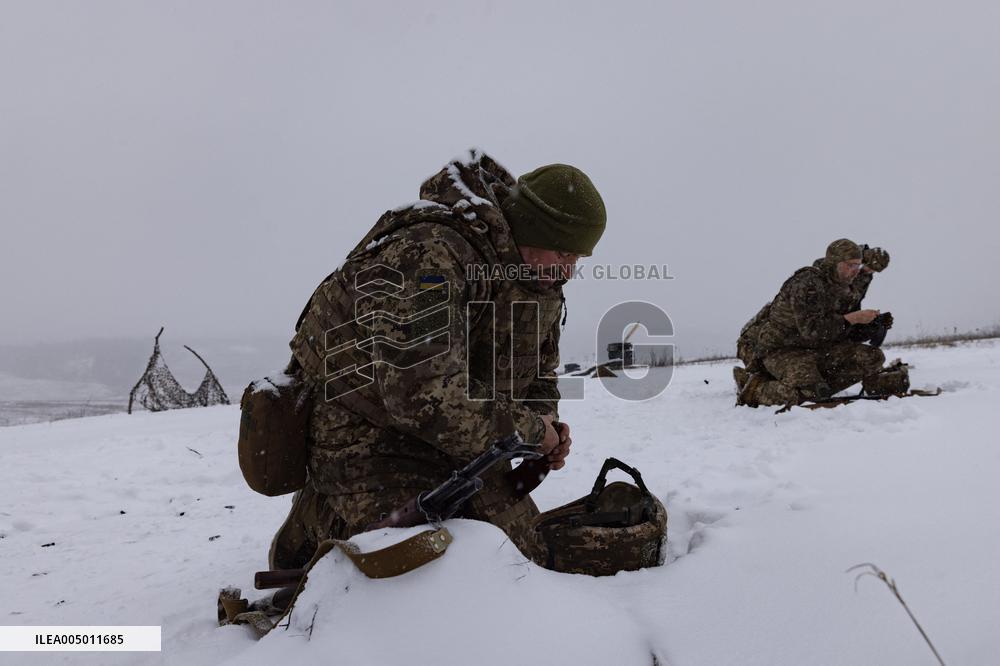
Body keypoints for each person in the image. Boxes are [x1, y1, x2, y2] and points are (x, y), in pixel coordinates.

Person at [268, 150, 606, 569]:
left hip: (453, 440)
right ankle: (320, 513)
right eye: (563, 254)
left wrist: (545, 425)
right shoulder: (431, 254)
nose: (568, 271)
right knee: (440, 563)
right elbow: (420, 395)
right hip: (364, 433)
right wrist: (531, 431)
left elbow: (538, 372)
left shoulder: (536, 279)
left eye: (577, 259)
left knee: (527, 556)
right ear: (531, 230)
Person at [733, 238, 897, 407]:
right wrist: (853, 318)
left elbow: (841, 331)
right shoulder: (807, 282)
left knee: (872, 358)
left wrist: (871, 325)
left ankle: (814, 385)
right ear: (834, 263)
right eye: (850, 265)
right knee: (810, 392)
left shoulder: (843, 287)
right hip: (782, 350)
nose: (855, 271)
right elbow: (813, 331)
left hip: (816, 348)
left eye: (858, 265)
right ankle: (755, 387)